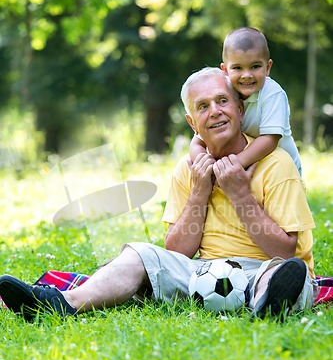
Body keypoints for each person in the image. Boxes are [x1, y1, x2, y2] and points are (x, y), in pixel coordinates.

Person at [0, 67, 317, 321]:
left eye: (222, 101)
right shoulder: (188, 168)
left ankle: (267, 304)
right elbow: (178, 251)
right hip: (205, 274)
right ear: (192, 122)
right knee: (140, 254)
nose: (216, 112)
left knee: (290, 275)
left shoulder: (275, 163)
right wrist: (200, 191)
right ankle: (62, 303)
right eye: (203, 107)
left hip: (266, 268)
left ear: (239, 106)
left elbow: (285, 251)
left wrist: (239, 193)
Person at [189, 27, 302, 175]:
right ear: (225, 70)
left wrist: (236, 163)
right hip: (250, 166)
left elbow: (269, 139)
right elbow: (197, 141)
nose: (247, 75)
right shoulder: (224, 94)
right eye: (237, 68)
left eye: (255, 66)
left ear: (267, 67)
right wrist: (202, 163)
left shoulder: (272, 93)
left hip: (281, 170)